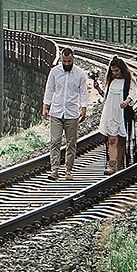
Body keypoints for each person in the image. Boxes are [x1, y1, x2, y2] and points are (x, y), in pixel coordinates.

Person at [42, 47, 89, 180]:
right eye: (64, 61)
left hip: (72, 112)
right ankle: (54, 169)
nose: (67, 64)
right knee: (55, 141)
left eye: (69, 61)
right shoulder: (54, 72)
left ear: (73, 59)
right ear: (61, 59)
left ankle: (68, 170)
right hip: (56, 112)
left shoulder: (80, 74)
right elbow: (49, 89)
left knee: (71, 143)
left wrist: (84, 108)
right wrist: (46, 107)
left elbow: (83, 92)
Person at [96, 54, 136, 174]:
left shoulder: (129, 81)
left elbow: (133, 93)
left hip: (123, 113)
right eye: (113, 71)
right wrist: (98, 88)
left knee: (122, 139)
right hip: (111, 112)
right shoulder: (111, 81)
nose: (115, 73)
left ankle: (120, 164)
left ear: (122, 69)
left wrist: (126, 101)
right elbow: (106, 96)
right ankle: (112, 166)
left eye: (117, 71)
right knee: (112, 139)